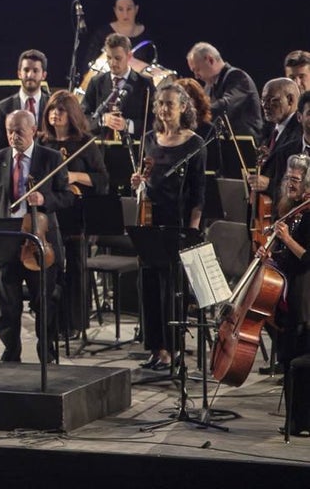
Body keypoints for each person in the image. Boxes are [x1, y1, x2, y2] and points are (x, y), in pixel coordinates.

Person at [0, 110, 73, 362]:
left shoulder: (51, 158)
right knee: (6, 304)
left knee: (44, 300)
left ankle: (47, 352)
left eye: (19, 131)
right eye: (10, 130)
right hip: (7, 239)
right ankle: (11, 352)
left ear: (33, 131)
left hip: (39, 239)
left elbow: (67, 196)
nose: (13, 136)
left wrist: (44, 198)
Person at [130, 83, 206, 370]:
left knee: (171, 287)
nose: (163, 109)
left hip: (179, 222)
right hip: (150, 218)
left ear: (183, 107)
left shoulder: (195, 143)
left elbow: (199, 192)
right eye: (160, 103)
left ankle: (173, 349)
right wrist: (137, 183)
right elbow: (144, 180)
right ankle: (155, 348)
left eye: (169, 104)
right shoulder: (149, 139)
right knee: (148, 283)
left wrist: (192, 231)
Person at [38, 90, 108, 339]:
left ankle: (75, 323)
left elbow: (102, 180)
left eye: (61, 110)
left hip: (77, 213)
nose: (55, 114)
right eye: (52, 109)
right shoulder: (43, 143)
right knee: (52, 268)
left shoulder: (84, 143)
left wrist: (74, 176)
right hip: (51, 214)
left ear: (72, 114)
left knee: (76, 267)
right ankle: (53, 322)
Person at [255, 154, 310, 377]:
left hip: (303, 296)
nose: (290, 184)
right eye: (288, 178)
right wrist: (270, 255)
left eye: (296, 180)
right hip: (286, 291)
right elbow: (287, 256)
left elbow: (306, 258)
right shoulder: (291, 210)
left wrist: (286, 239)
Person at [79, 33, 153, 142]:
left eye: (118, 58)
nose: (112, 63)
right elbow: (82, 117)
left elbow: (154, 121)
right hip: (101, 150)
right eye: (109, 57)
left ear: (129, 56)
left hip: (132, 148)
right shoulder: (96, 82)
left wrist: (127, 125)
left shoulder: (144, 83)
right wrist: (102, 120)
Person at [187, 41, 263, 142]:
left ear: (210, 60)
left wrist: (194, 113)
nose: (196, 76)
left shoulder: (237, 77)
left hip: (245, 145)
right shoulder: (208, 87)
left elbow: (225, 106)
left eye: (197, 70)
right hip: (226, 144)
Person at [248, 78, 301, 205]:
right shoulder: (270, 129)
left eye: (272, 100)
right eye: (263, 100)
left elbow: (301, 181)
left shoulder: (300, 132)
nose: (265, 106)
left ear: (290, 100)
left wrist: (269, 185)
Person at [0, 50, 50, 151]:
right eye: (26, 70)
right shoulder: (3, 108)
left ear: (44, 75)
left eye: (35, 71)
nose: (30, 75)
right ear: (19, 73)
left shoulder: (52, 105)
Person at [83, 0, 154, 73]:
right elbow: (89, 65)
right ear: (115, 10)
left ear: (136, 9)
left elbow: (153, 67)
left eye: (129, 9)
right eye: (120, 9)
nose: (125, 14)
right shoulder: (102, 34)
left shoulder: (147, 35)